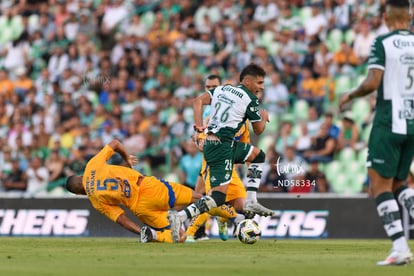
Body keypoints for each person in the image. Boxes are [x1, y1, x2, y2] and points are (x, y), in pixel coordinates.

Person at [339, 0, 414, 266]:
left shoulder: (382, 42)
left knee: (379, 186)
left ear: (385, 16)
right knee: (399, 183)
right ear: (410, 15)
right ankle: (401, 246)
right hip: (412, 122)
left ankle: (400, 247)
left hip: (388, 121)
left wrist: (350, 94)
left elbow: (372, 82)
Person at [170, 63, 274, 231]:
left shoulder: (223, 89)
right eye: (259, 83)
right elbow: (258, 130)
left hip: (219, 144)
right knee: (218, 197)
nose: (262, 87)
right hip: (222, 147)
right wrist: (264, 117)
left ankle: (251, 201)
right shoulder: (250, 100)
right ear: (247, 81)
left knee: (258, 155)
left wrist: (198, 127)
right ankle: (180, 217)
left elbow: (197, 101)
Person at [65, 139, 202, 243]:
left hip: (140, 208)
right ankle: (183, 215)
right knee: (199, 198)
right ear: (80, 176)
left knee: (181, 236)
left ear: (78, 193)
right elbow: (115, 143)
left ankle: (154, 234)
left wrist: (141, 231)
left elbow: (122, 219)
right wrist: (126, 157)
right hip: (147, 188)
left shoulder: (95, 200)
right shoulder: (91, 166)